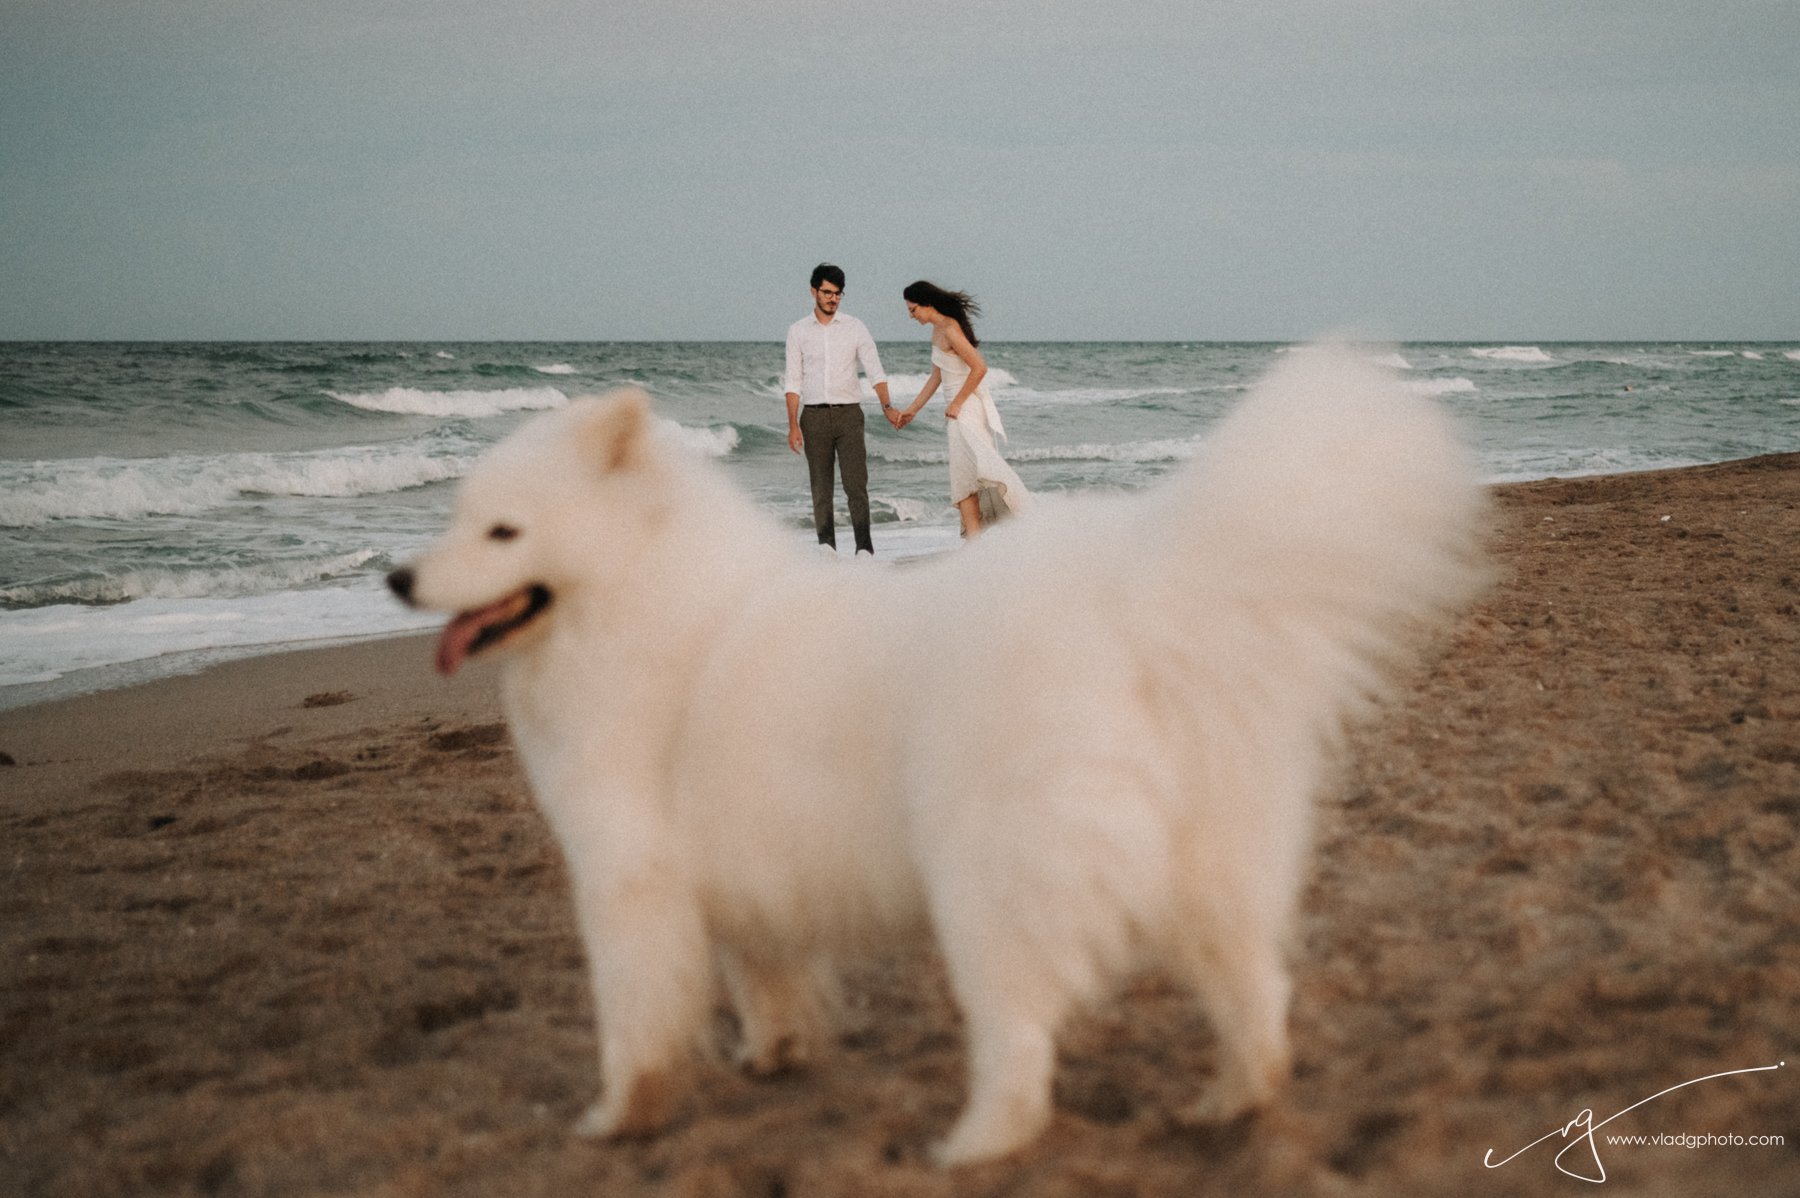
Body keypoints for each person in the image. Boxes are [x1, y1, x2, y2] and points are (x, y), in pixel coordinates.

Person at [895, 280, 1031, 537]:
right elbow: (937, 376)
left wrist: (957, 402)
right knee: (964, 478)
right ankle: (974, 543)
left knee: (974, 475)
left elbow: (979, 367)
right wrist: (912, 410)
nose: (911, 316)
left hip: (966, 410)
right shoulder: (937, 331)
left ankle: (1015, 526)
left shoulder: (950, 328)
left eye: (913, 310)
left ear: (927, 304)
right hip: (956, 411)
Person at [784, 263, 897, 556]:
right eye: (827, 292)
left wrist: (887, 406)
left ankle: (864, 550)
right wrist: (793, 424)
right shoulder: (798, 331)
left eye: (837, 294)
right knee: (821, 491)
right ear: (814, 292)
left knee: (855, 486)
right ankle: (827, 551)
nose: (832, 299)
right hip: (814, 417)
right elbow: (793, 380)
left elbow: (876, 371)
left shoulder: (855, 327)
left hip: (849, 416)